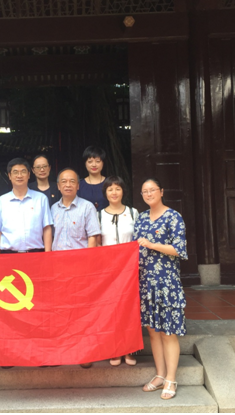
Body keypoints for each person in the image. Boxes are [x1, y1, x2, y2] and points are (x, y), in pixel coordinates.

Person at [133, 178, 188, 400]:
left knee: (168, 331)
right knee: (153, 331)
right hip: (145, 282)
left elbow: (180, 249)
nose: (148, 194)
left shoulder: (173, 216)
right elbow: (134, 247)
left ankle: (171, 379)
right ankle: (160, 375)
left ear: (161, 191)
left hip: (166, 282)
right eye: (144, 191)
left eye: (152, 190)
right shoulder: (141, 218)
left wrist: (152, 245)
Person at [51, 168, 101, 368]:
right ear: (58, 186)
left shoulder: (87, 207)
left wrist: (88, 265)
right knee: (60, 310)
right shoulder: (52, 209)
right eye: (64, 181)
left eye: (72, 181)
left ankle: (84, 352)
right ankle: (62, 350)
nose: (68, 185)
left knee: (82, 310)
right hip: (57, 267)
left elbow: (93, 237)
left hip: (80, 267)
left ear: (78, 185)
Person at [97, 176, 139, 367]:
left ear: (123, 191)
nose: (114, 193)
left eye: (118, 189)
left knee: (129, 309)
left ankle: (129, 349)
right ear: (105, 193)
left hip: (130, 269)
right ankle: (115, 349)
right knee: (111, 309)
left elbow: (138, 239)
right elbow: (97, 243)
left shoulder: (133, 212)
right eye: (110, 189)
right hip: (108, 271)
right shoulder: (99, 215)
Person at [0, 158, 53, 254]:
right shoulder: (1, 202)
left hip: (35, 254)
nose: (19, 175)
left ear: (29, 174)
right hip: (8, 255)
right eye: (15, 172)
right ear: (9, 176)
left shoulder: (41, 199)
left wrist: (47, 255)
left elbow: (46, 228)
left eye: (23, 171)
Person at [78, 146, 108, 212]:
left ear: (103, 163)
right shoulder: (79, 185)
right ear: (85, 163)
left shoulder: (109, 183)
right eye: (90, 162)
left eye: (98, 161)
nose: (94, 165)